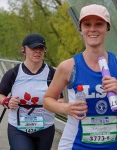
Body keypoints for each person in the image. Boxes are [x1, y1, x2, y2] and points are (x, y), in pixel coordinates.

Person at [43, 4, 117, 150]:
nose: (93, 29)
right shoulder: (68, 67)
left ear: (107, 29)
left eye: (99, 24)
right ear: (81, 29)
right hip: (76, 145)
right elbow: (47, 100)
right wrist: (66, 108)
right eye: (87, 24)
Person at [0, 33, 60, 150]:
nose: (38, 51)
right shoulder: (13, 73)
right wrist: (6, 101)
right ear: (23, 50)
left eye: (41, 48)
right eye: (33, 48)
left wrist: (57, 104)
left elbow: (61, 98)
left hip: (45, 129)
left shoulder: (52, 73)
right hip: (18, 128)